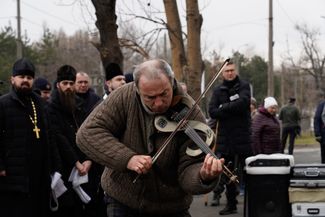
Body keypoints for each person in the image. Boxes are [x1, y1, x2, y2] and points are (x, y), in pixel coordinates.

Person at [76, 59, 224, 217]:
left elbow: (188, 168)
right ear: (137, 90)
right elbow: (87, 133)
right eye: (150, 98)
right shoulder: (124, 96)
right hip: (123, 198)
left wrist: (203, 176)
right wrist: (128, 159)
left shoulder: (191, 114)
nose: (159, 103)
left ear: (172, 81)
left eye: (164, 94)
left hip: (171, 206)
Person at [0, 58, 54, 217]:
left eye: (29, 78)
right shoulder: (3, 104)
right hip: (13, 175)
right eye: (21, 77)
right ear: (12, 79)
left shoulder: (40, 104)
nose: (25, 81)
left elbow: (49, 136)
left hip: (38, 174)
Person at [48, 65, 104, 217]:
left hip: (85, 166)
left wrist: (89, 160)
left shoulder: (79, 105)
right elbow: (59, 138)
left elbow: (88, 133)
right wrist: (76, 162)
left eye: (71, 83)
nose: (68, 87)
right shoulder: (50, 108)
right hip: (66, 168)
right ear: (58, 84)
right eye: (65, 83)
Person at [208, 60, 252, 215]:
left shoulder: (244, 86)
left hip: (243, 136)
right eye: (227, 71)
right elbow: (212, 111)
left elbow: (244, 102)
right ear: (223, 73)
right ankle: (231, 204)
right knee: (229, 173)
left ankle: (254, 203)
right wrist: (229, 108)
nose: (230, 73)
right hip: (225, 138)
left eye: (232, 70)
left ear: (236, 71)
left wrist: (224, 107)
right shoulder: (218, 90)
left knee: (248, 171)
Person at [314, 99, 325, 163]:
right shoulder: (322, 105)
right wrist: (317, 134)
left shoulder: (321, 105)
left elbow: (316, 119)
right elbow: (317, 119)